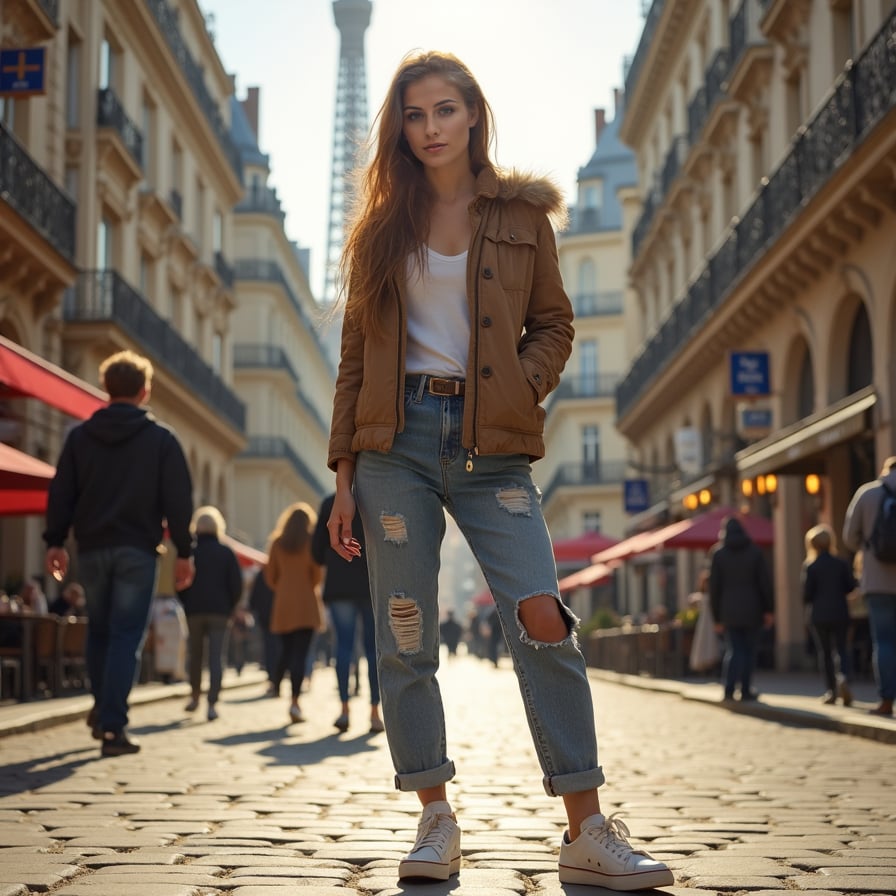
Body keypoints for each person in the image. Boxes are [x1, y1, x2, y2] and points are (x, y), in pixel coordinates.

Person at [324, 50, 673, 890]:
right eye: (415, 115)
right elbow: (352, 357)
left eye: (445, 110)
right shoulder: (381, 228)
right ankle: (434, 817)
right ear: (400, 128)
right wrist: (343, 473)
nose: (431, 128)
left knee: (543, 616)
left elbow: (555, 322)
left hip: (494, 447)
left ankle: (586, 828)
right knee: (405, 633)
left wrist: (519, 383)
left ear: (473, 114)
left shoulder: (522, 218)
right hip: (392, 445)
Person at [43, 349, 194, 757]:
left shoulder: (79, 438)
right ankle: (113, 725)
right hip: (138, 551)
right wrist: (185, 550)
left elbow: (61, 493)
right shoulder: (162, 440)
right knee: (127, 636)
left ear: (105, 388)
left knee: (100, 631)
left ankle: (103, 707)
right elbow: (179, 499)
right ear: (145, 392)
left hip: (90, 548)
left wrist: (55, 541)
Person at [312, 493, 383, 734]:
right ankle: (375, 713)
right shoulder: (374, 498)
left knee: (342, 646)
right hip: (370, 584)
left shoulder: (329, 503)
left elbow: (315, 552)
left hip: (340, 585)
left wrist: (335, 557)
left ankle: (344, 710)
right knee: (374, 649)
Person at [177, 506, 243, 721]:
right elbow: (236, 584)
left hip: (194, 610)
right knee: (216, 656)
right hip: (220, 612)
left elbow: (180, 581)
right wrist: (230, 605)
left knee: (195, 655)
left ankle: (195, 696)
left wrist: (186, 602)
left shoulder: (191, 552)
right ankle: (212, 702)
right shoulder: (226, 552)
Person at [843, 456, 896, 717]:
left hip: (877, 582)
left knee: (884, 641)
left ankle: (886, 700)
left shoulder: (868, 493)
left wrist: (869, 547)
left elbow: (849, 537)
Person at [264, 502, 324, 725]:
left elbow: (270, 576)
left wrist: (284, 586)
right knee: (301, 653)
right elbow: (317, 575)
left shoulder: (277, 543)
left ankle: (276, 682)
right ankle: (295, 701)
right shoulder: (310, 542)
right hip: (307, 604)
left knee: (286, 650)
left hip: (284, 604)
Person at [709, 517, 775, 703]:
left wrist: (717, 617)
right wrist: (769, 609)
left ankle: (729, 688)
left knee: (735, 650)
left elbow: (714, 588)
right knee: (749, 651)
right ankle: (745, 689)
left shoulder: (719, 554)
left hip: (728, 610)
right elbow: (765, 583)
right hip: (753, 608)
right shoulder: (754, 552)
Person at [802, 524, 856, 706]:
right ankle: (844, 677)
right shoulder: (840, 563)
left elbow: (806, 595)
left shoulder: (811, 566)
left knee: (825, 653)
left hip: (819, 615)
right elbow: (850, 586)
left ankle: (831, 691)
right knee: (842, 648)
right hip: (840, 612)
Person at [248, 565, 280, 695]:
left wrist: (254, 608)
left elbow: (254, 596)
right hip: (278, 615)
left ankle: (273, 679)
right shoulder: (279, 570)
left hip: (266, 616)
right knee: (277, 647)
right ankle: (276, 679)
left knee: (270, 647)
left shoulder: (263, 572)